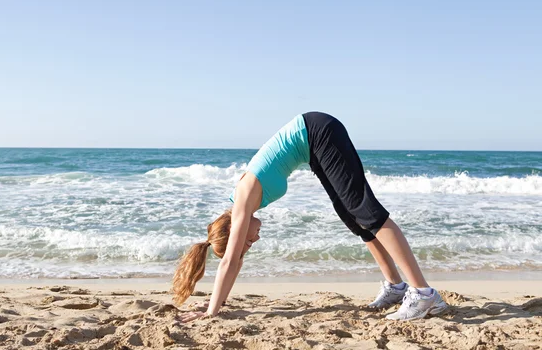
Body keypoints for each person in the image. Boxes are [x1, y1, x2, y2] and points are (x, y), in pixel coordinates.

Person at [173, 112, 448, 322]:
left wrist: (212, 309)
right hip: (313, 144)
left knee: (366, 211)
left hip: (317, 132)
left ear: (235, 230)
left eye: (246, 242)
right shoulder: (245, 200)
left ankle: (423, 293)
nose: (253, 242)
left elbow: (231, 262)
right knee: (352, 217)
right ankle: (396, 287)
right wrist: (215, 303)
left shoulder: (244, 198)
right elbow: (234, 260)